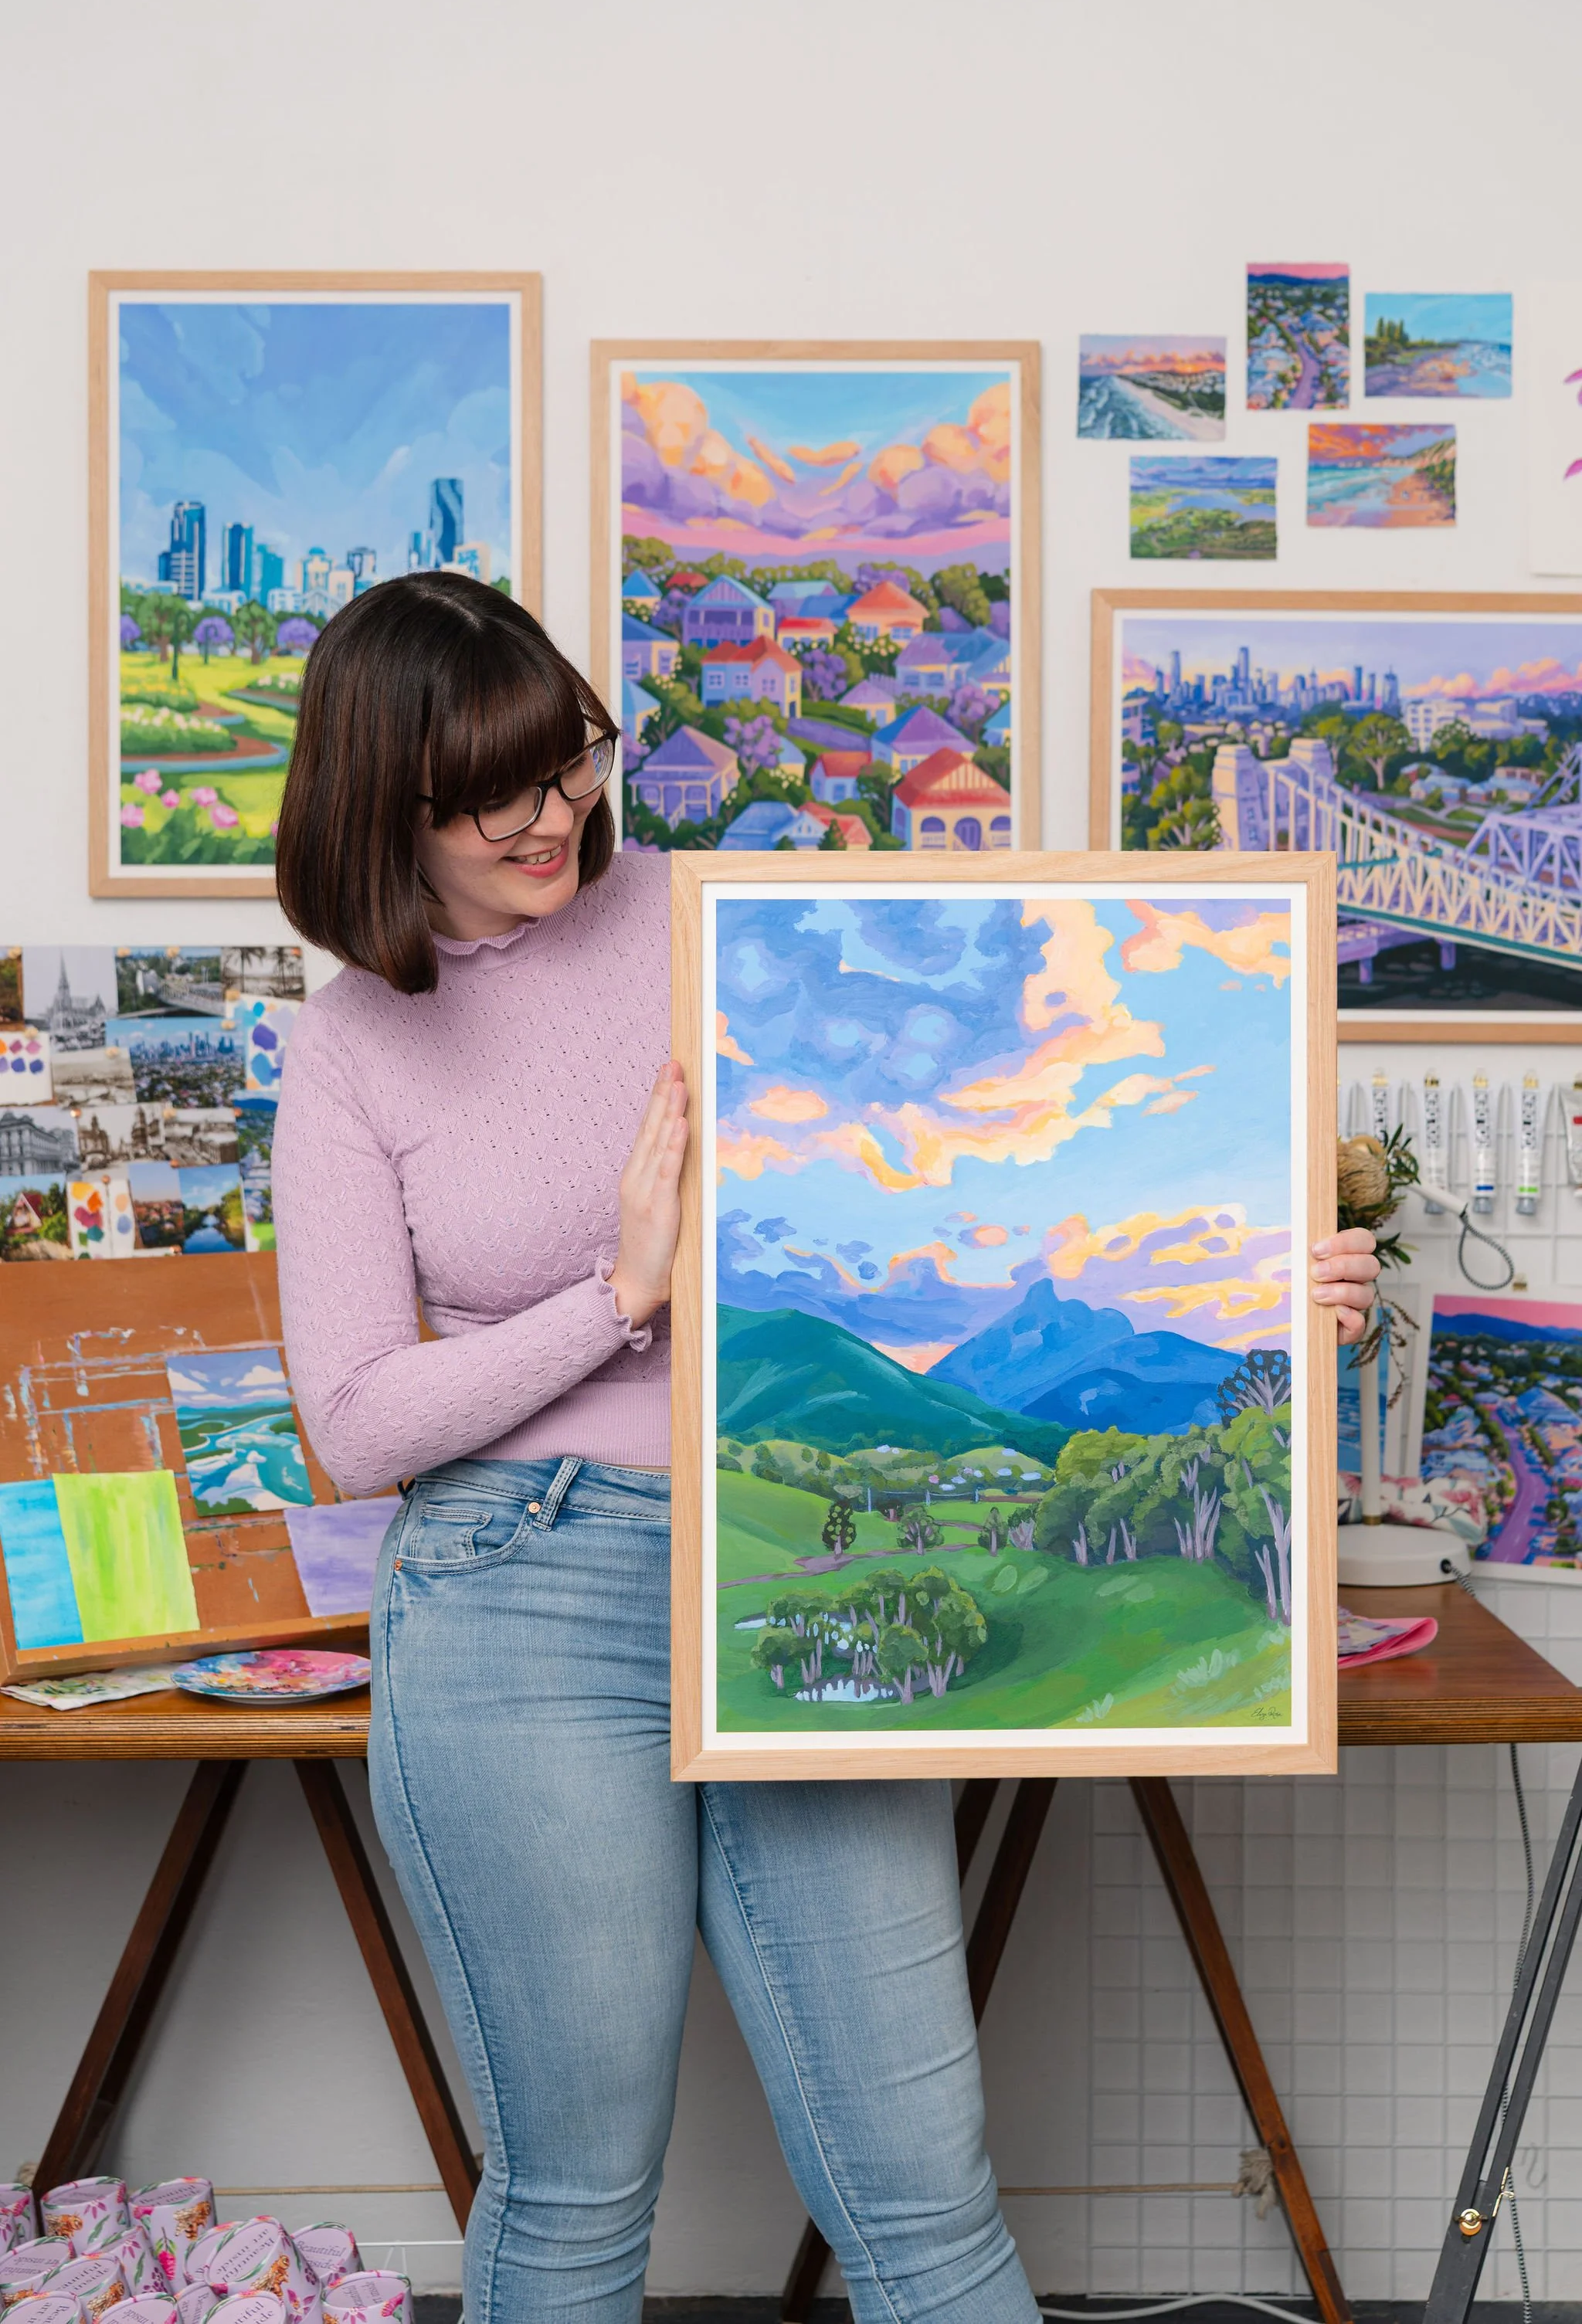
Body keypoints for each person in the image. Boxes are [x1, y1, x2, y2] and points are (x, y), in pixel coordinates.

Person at [271, 574, 1380, 2324]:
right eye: (494, 792)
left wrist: (1273, 1270)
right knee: (571, 2195)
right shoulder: (345, 1049)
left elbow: (998, 1157)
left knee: (924, 2199)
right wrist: (616, 1294)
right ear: (374, 804)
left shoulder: (731, 924)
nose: (554, 815)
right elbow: (349, 1426)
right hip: (516, 1603)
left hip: (795, 1602)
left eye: (567, 763)